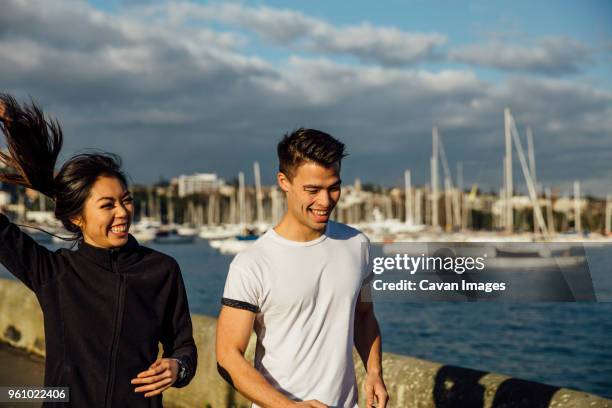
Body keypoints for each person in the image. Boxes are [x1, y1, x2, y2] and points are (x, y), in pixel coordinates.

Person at [0, 94, 197, 407]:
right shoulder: (55, 272)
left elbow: (184, 346)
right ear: (77, 217)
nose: (122, 212)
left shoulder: (162, 269)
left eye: (126, 200)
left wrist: (178, 368)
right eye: (107, 205)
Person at [216, 128, 388, 408]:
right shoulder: (252, 263)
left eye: (334, 188)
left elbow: (363, 316)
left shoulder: (358, 244)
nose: (325, 201)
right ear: (284, 181)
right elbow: (227, 355)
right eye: (312, 190)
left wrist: (374, 373)